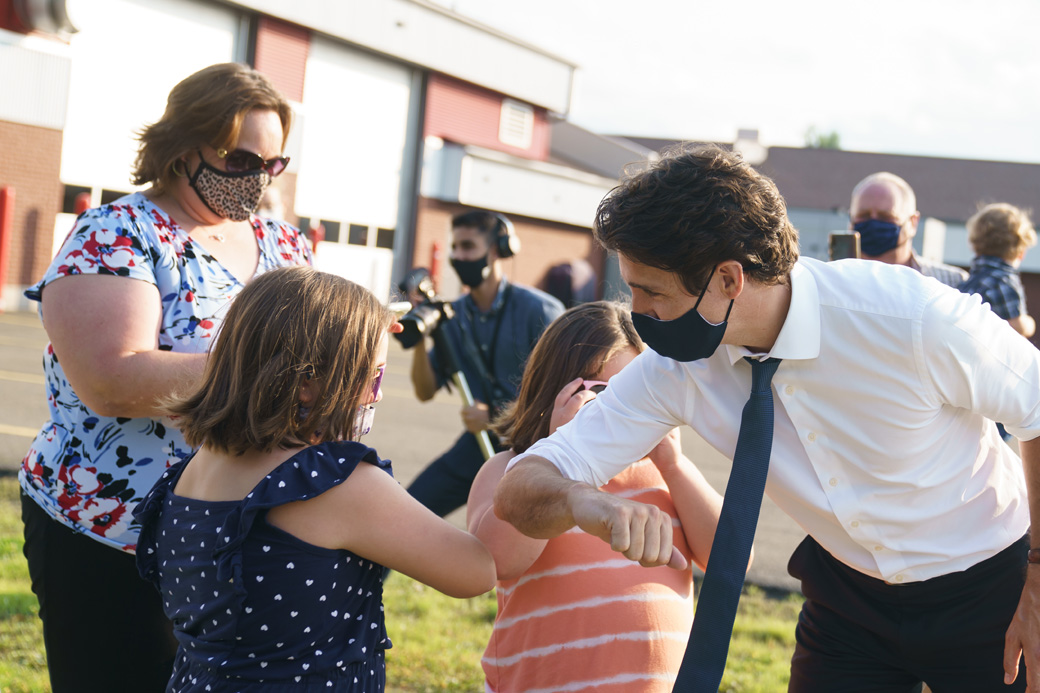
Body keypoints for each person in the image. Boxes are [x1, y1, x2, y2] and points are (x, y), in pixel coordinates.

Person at [494, 144, 1040, 691]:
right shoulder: (675, 369)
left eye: (651, 291)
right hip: (848, 601)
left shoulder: (912, 318)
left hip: (991, 587)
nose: (637, 314)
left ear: (729, 279)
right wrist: (579, 499)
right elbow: (521, 487)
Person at [19, 62, 312, 692]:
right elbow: (112, 379)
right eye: (240, 159)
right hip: (110, 530)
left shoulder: (286, 246)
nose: (257, 179)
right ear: (183, 148)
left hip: (240, 530)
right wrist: (282, 374)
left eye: (273, 164)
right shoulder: (116, 233)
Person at [134, 266, 495, 692]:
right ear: (307, 384)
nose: (376, 394)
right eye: (373, 374)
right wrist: (510, 463)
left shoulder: (194, 468)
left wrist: (366, 327)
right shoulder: (334, 483)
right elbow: (476, 571)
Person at [467, 301, 725, 692]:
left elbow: (731, 556)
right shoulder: (513, 472)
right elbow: (497, 560)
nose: (620, 411)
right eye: (601, 393)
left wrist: (673, 465)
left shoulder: (665, 476)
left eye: (636, 394)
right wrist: (560, 454)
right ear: (556, 389)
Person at [406, 210, 564, 517]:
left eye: (467, 247)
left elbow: (564, 392)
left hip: (532, 449)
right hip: (475, 445)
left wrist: (494, 417)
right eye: (455, 247)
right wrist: (420, 336)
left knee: (506, 541)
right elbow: (425, 392)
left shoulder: (540, 310)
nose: (457, 256)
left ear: (496, 251)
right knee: (407, 512)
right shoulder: (451, 315)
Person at [849, 171, 968, 286]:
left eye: (886, 217)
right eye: (863, 215)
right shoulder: (834, 279)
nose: (873, 222)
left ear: (913, 222)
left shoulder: (953, 283)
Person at [959, 202, 1037, 338]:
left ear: (975, 245)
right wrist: (1029, 324)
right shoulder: (1003, 280)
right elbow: (1017, 325)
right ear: (1021, 252)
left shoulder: (970, 281)